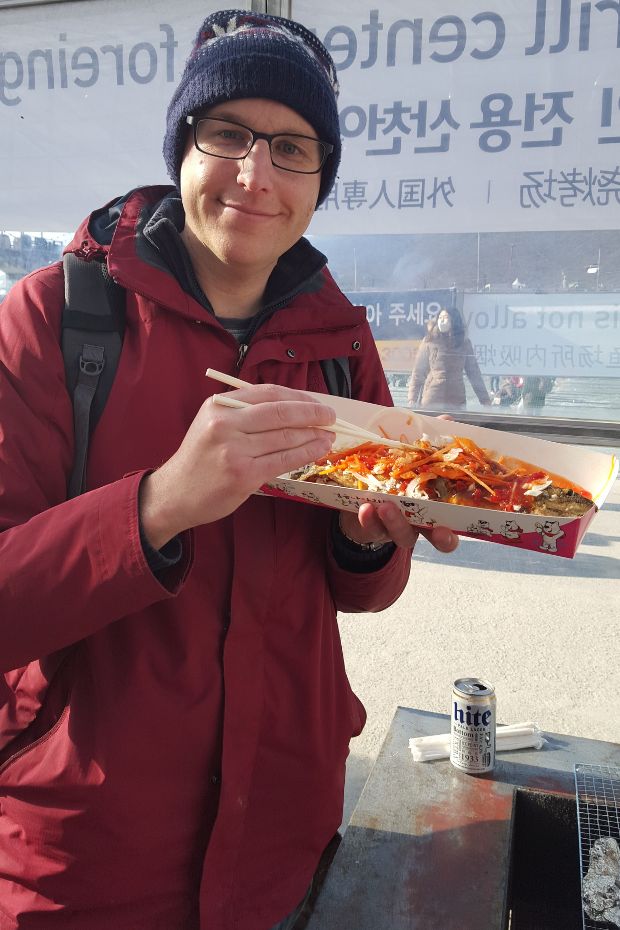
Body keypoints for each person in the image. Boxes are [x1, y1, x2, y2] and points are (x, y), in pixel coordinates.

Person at [0, 11, 458, 930]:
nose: (256, 176)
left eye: (292, 148)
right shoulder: (55, 321)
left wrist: (363, 541)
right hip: (84, 867)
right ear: (182, 146)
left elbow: (357, 596)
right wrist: (158, 507)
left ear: (322, 180)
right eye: (228, 134)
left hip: (283, 845)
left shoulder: (339, 338)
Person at [407, 306, 491, 411]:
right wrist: (412, 398)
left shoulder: (464, 342)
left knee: (454, 426)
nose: (442, 320)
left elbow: (474, 373)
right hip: (432, 396)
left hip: (456, 397)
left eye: (446, 317)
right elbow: (418, 371)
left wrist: (485, 400)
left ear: (454, 321)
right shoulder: (430, 340)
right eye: (440, 317)